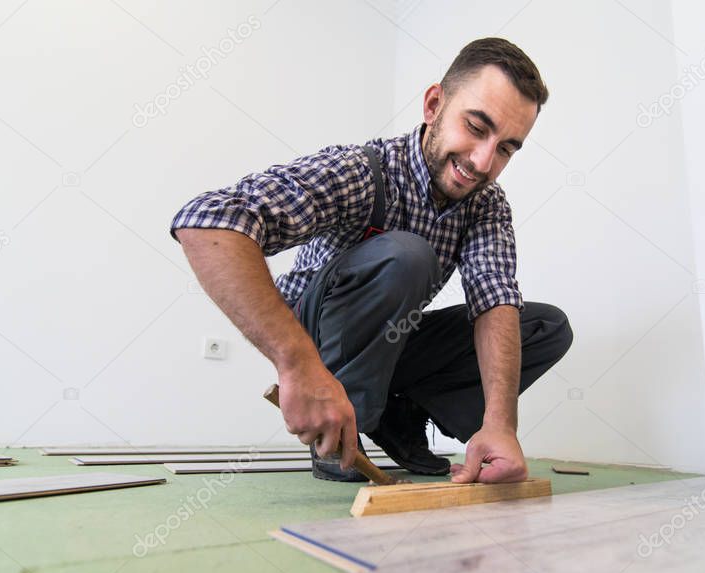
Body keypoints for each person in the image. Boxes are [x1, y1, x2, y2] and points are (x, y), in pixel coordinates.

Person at [171, 37, 573, 483]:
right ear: (434, 104)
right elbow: (207, 221)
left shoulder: (486, 204)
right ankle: (347, 428)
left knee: (544, 327)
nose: (482, 161)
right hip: (313, 335)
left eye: (505, 148)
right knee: (407, 257)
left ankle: (400, 413)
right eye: (477, 128)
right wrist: (296, 363)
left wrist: (501, 424)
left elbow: (494, 299)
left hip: (387, 342)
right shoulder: (362, 172)